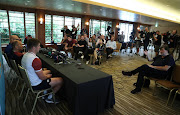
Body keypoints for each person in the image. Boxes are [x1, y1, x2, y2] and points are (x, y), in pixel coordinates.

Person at [21, 38, 63, 103]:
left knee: (48, 70)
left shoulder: (25, 55)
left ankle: (44, 93)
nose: (40, 47)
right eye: (38, 46)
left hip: (29, 82)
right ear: (34, 47)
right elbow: (42, 77)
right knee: (60, 80)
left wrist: (47, 74)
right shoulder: (35, 60)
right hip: (36, 85)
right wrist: (49, 76)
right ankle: (49, 98)